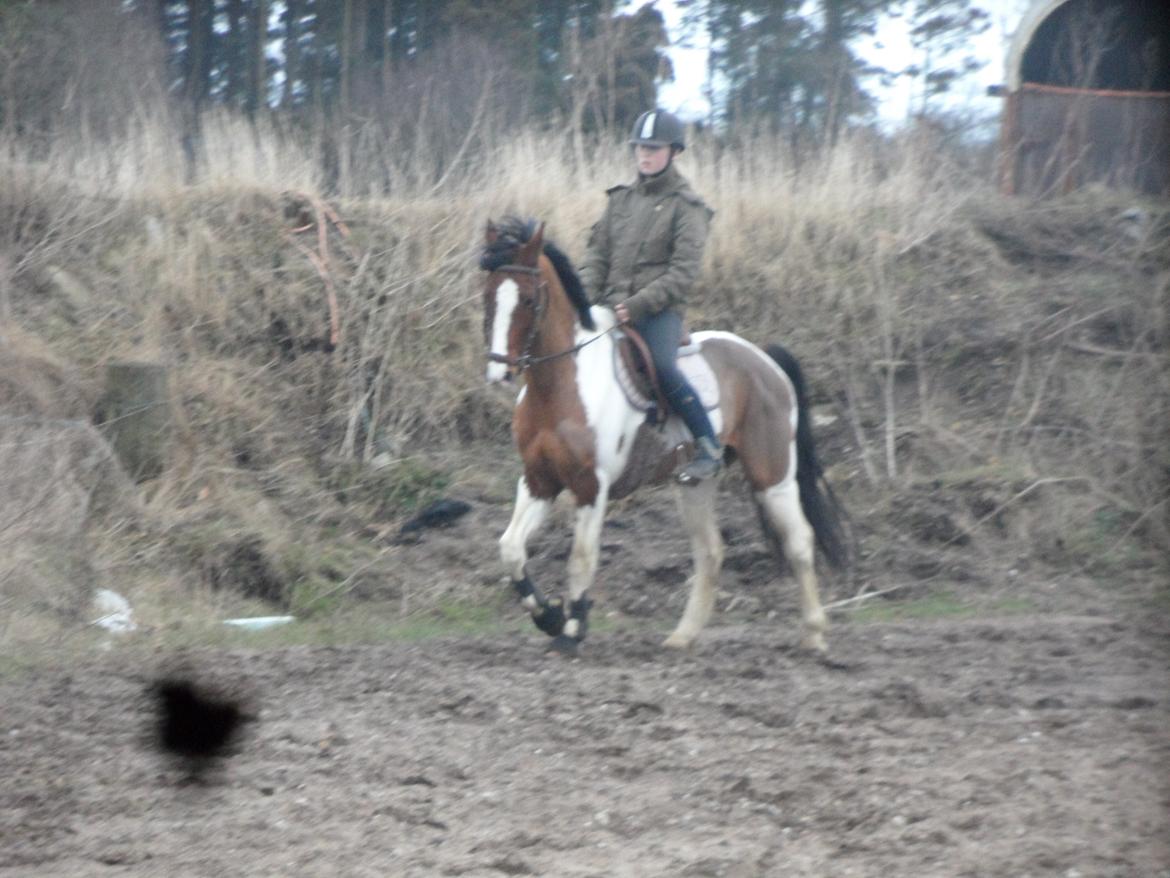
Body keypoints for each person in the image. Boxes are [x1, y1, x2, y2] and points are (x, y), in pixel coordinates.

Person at [579, 108, 721, 485]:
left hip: (657, 312)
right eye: (640, 147)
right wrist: (587, 301)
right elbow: (597, 255)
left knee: (662, 366)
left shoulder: (687, 207)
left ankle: (708, 445)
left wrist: (638, 305)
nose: (644, 155)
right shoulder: (620, 200)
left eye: (654, 148)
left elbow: (682, 273)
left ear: (673, 152)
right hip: (609, 306)